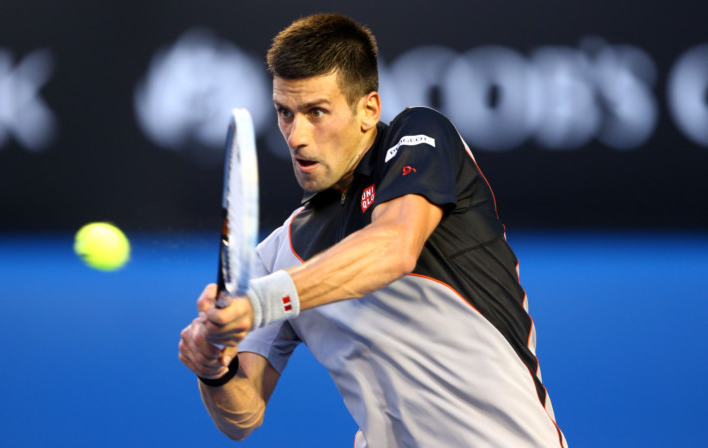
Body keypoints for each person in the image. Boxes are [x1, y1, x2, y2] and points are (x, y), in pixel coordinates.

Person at [179, 13, 567, 448]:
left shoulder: (420, 136)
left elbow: (394, 247)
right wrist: (215, 368)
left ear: (369, 109)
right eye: (285, 113)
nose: (295, 136)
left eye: (316, 112)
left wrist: (260, 302)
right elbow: (242, 417)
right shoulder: (276, 255)